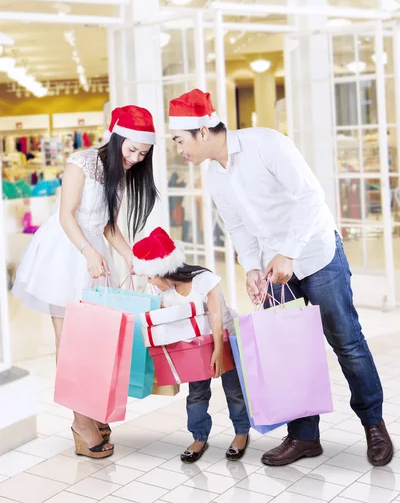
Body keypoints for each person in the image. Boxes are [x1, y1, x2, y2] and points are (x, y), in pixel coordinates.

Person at [168, 88, 393, 467]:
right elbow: (238, 226)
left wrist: (288, 251)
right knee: (292, 350)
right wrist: (253, 269)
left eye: (179, 140)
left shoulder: (266, 144)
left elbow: (310, 197)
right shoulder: (215, 176)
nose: (179, 149)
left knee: (347, 343)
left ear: (202, 133)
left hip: (316, 255)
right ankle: (305, 437)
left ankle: (374, 426)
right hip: (277, 269)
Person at [13, 105, 159, 459]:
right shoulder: (80, 162)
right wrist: (87, 252)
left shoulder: (118, 173)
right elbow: (66, 215)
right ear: (117, 138)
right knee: (71, 343)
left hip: (94, 257)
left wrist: (130, 256)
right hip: (66, 254)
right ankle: (81, 423)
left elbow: (108, 226)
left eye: (143, 154)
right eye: (132, 150)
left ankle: (91, 412)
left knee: (94, 342)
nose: (137, 159)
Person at [132, 227, 250, 463]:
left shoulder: (203, 280)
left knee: (234, 391)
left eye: (151, 275)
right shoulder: (161, 288)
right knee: (196, 393)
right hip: (195, 345)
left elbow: (216, 317)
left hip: (225, 337)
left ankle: (241, 432)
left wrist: (218, 350)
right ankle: (199, 436)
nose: (150, 281)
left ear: (164, 270)